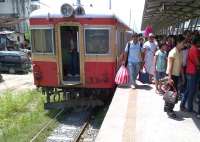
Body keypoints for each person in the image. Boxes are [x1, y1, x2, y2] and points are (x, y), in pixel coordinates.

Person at [164, 35, 185, 118]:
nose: (184, 45)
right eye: (183, 43)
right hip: (171, 75)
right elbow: (170, 67)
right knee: (172, 94)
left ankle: (167, 107)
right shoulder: (173, 52)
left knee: (171, 93)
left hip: (176, 75)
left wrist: (182, 76)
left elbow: (180, 66)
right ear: (178, 43)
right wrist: (169, 78)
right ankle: (170, 110)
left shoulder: (180, 52)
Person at [180, 35, 200, 112]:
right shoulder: (193, 49)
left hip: (191, 72)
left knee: (189, 89)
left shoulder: (194, 49)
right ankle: (190, 108)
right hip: (192, 73)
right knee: (191, 91)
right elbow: (197, 62)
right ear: (197, 42)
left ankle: (183, 104)